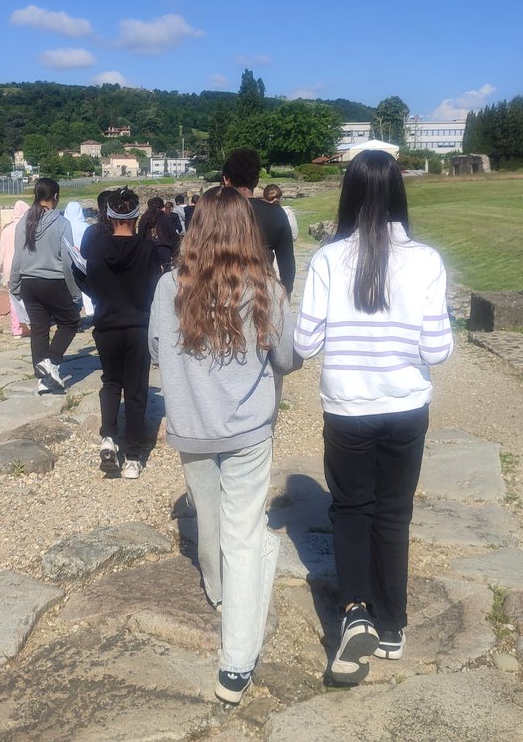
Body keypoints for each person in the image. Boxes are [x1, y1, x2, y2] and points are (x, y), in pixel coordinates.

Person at [292, 150, 454, 685]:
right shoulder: (427, 261)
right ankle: (392, 624)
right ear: (399, 196)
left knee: (351, 509)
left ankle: (355, 610)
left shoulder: (328, 259)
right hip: (406, 403)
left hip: (348, 405)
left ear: (349, 195)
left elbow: (306, 342)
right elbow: (437, 350)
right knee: (394, 513)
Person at [149, 185, 300, 705]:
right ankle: (236, 661)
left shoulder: (169, 286)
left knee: (210, 519)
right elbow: (286, 357)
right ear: (248, 231)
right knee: (242, 534)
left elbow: (155, 347)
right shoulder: (267, 290)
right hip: (247, 429)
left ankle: (220, 593)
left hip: (192, 424)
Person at [85, 188, 163, 479]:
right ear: (136, 215)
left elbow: (89, 282)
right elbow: (154, 287)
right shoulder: (148, 249)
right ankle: (132, 456)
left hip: (106, 324)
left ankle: (108, 437)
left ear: (109, 214)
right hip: (138, 325)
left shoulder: (96, 247)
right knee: (136, 390)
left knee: (110, 382)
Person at [10, 178, 82, 394]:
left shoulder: (24, 221)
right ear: (56, 197)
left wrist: (14, 285)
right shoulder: (62, 223)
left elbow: (17, 257)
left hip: (29, 283)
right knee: (70, 322)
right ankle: (51, 360)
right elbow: (67, 262)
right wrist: (75, 293)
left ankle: (42, 380)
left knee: (39, 329)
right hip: (53, 281)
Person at [222, 149, 296, 295]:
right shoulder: (276, 213)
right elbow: (287, 265)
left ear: (226, 179)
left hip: (223, 292)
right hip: (262, 293)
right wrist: (283, 297)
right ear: (256, 181)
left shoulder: (215, 212)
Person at [0, 200, 31, 337]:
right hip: (26, 268)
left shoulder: (6, 230)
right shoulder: (28, 228)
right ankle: (28, 325)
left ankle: (17, 328)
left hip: (9, 269)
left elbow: (1, 252)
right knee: (28, 298)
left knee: (13, 299)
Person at [62, 200, 94, 319]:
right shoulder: (85, 226)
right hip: (83, 257)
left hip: (68, 258)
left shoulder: (64, 225)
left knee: (71, 285)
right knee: (86, 283)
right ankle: (90, 309)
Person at [139, 196, 179, 269]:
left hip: (149, 249)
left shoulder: (144, 217)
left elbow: (140, 235)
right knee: (165, 275)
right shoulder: (165, 217)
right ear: (162, 207)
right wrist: (174, 252)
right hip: (164, 249)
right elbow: (173, 235)